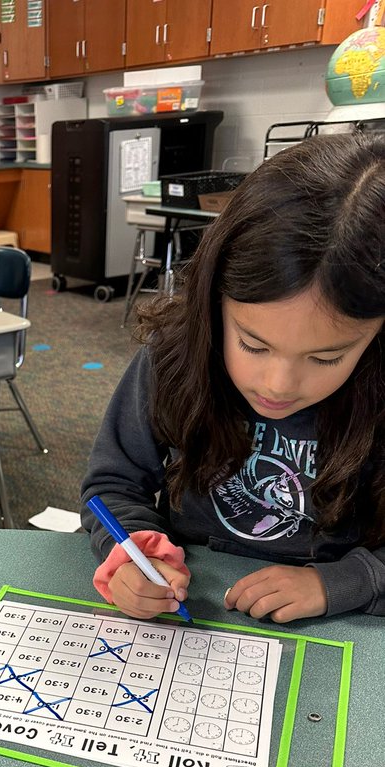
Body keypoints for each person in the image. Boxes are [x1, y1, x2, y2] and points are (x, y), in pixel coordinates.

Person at [81, 132, 385, 624]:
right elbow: (112, 485)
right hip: (198, 610)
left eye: (327, 357)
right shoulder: (175, 357)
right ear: (212, 300)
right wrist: (138, 553)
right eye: (253, 344)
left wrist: (340, 583)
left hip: (339, 625)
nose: (278, 385)